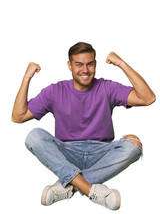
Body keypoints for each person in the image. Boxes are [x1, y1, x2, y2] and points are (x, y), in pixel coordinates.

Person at [12, 42, 155, 210]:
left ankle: (69, 184)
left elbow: (148, 98)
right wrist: (26, 78)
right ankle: (89, 189)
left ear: (95, 64)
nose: (85, 70)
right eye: (79, 64)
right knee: (33, 136)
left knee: (134, 146)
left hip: (101, 153)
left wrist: (122, 64)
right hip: (67, 153)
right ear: (70, 66)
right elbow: (18, 116)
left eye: (90, 64)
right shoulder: (55, 91)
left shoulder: (107, 87)